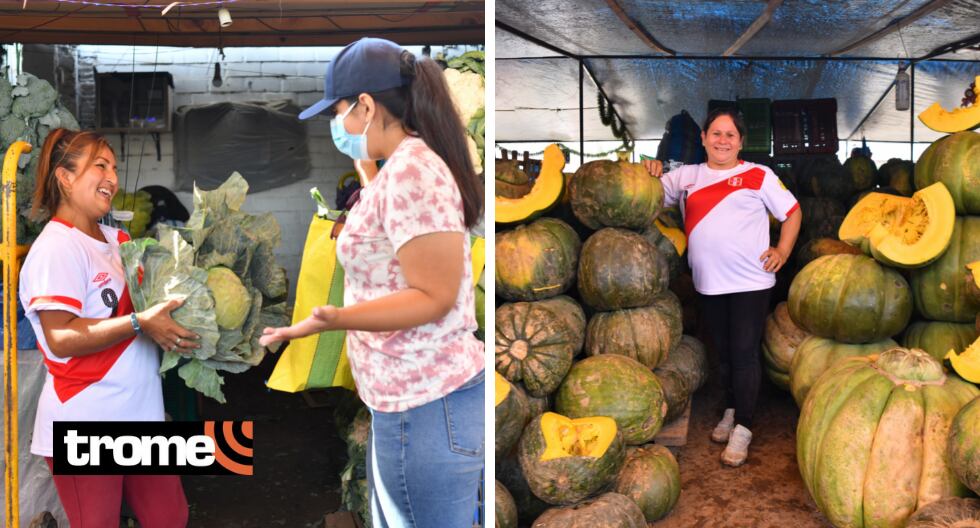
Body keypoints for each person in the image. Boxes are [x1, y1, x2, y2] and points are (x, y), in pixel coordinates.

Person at [258, 38, 484, 527]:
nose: (336, 125)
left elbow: (435, 297)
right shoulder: (401, 167)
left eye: (338, 112)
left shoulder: (414, 174)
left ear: (365, 104)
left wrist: (335, 319)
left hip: (425, 408)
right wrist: (367, 168)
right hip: (412, 404)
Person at [20, 129, 199, 527]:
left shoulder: (115, 239)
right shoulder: (56, 248)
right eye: (99, 166)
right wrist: (138, 322)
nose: (112, 178)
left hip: (141, 418)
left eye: (114, 168)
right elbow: (61, 338)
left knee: (170, 518)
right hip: (86, 420)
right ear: (64, 177)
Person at [643, 108, 802, 467]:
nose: (723, 141)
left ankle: (744, 426)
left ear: (741, 142)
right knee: (724, 353)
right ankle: (731, 410)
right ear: (703, 138)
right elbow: (644, 195)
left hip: (751, 281)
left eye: (730, 135)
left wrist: (783, 250)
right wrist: (649, 170)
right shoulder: (685, 176)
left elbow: (792, 212)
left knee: (745, 353)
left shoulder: (758, 175)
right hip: (709, 282)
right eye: (716, 133)